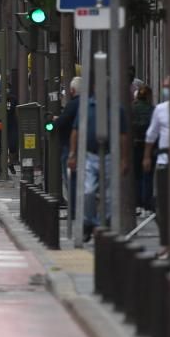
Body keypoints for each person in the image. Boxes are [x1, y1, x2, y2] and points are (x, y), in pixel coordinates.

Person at [68, 97, 129, 242]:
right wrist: (72, 154)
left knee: (108, 195)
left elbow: (123, 135)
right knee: (88, 191)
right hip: (89, 155)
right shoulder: (86, 106)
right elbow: (75, 131)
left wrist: (124, 158)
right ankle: (89, 223)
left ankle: (104, 225)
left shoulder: (117, 108)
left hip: (109, 155)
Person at [143, 77, 170, 255]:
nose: (166, 89)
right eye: (164, 87)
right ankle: (166, 243)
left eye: (169, 86)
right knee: (162, 203)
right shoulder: (160, 110)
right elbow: (151, 135)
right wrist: (146, 157)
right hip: (164, 162)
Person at [53, 77, 81, 216]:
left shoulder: (73, 104)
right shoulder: (89, 102)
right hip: (84, 147)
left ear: (72, 90)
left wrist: (54, 123)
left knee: (71, 178)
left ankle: (74, 209)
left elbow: (62, 122)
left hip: (69, 147)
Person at [132, 84, 154, 213]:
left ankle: (137, 202)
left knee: (136, 176)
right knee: (147, 176)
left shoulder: (132, 109)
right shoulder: (152, 109)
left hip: (134, 146)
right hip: (148, 146)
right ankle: (147, 203)